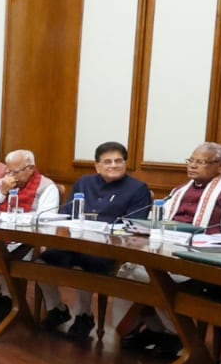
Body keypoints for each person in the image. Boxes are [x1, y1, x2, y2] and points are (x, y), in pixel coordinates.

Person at [113, 143, 221, 355]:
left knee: (150, 276)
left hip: (200, 263)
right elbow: (156, 222)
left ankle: (178, 335)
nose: (193, 166)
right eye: (191, 161)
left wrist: (189, 241)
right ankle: (158, 330)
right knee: (127, 271)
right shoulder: (178, 191)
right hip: (165, 254)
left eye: (201, 162)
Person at [35, 141, 150, 340]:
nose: (113, 165)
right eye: (107, 162)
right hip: (73, 242)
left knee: (87, 264)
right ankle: (57, 309)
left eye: (118, 161)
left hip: (107, 247)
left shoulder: (138, 188)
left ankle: (83, 315)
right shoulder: (84, 182)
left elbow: (135, 225)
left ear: (125, 163)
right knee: (40, 263)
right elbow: (68, 213)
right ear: (97, 166)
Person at [0, 150, 60, 323]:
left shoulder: (47, 187)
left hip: (27, 238)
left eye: (15, 172)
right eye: (7, 171)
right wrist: (2, 191)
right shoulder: (3, 183)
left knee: (9, 259)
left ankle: (9, 300)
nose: (10, 176)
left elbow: (46, 220)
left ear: (30, 168)